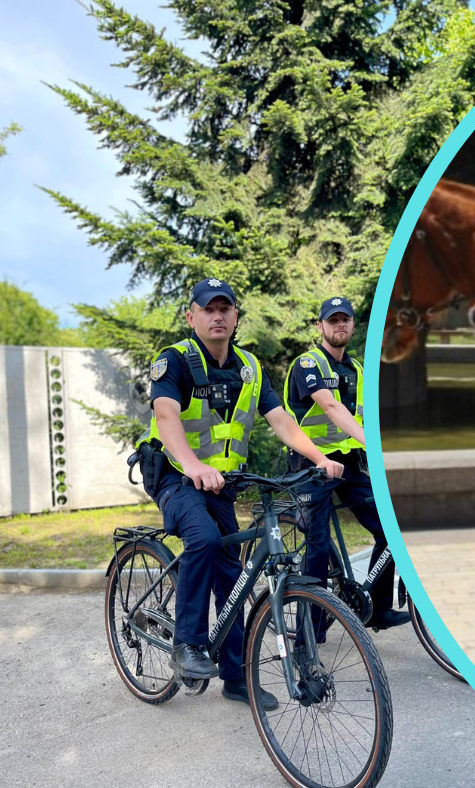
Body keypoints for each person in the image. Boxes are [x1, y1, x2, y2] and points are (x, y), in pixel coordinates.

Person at [135, 278, 344, 709]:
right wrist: (192, 464)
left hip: (222, 486)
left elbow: (282, 419)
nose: (217, 316)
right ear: (191, 316)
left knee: (233, 577)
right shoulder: (174, 360)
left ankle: (236, 678)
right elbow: (166, 414)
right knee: (205, 540)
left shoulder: (249, 368)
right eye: (208, 309)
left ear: (235, 317)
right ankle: (188, 644)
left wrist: (318, 457)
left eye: (225, 309)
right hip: (176, 475)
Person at [284, 296, 410, 630]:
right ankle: (310, 635)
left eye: (346, 319)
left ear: (353, 325)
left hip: (349, 464)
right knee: (317, 546)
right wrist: (375, 444)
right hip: (310, 465)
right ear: (320, 326)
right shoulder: (308, 364)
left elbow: (371, 416)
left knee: (392, 529)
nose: (340, 324)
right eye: (333, 319)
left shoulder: (356, 370)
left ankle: (378, 608)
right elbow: (330, 407)